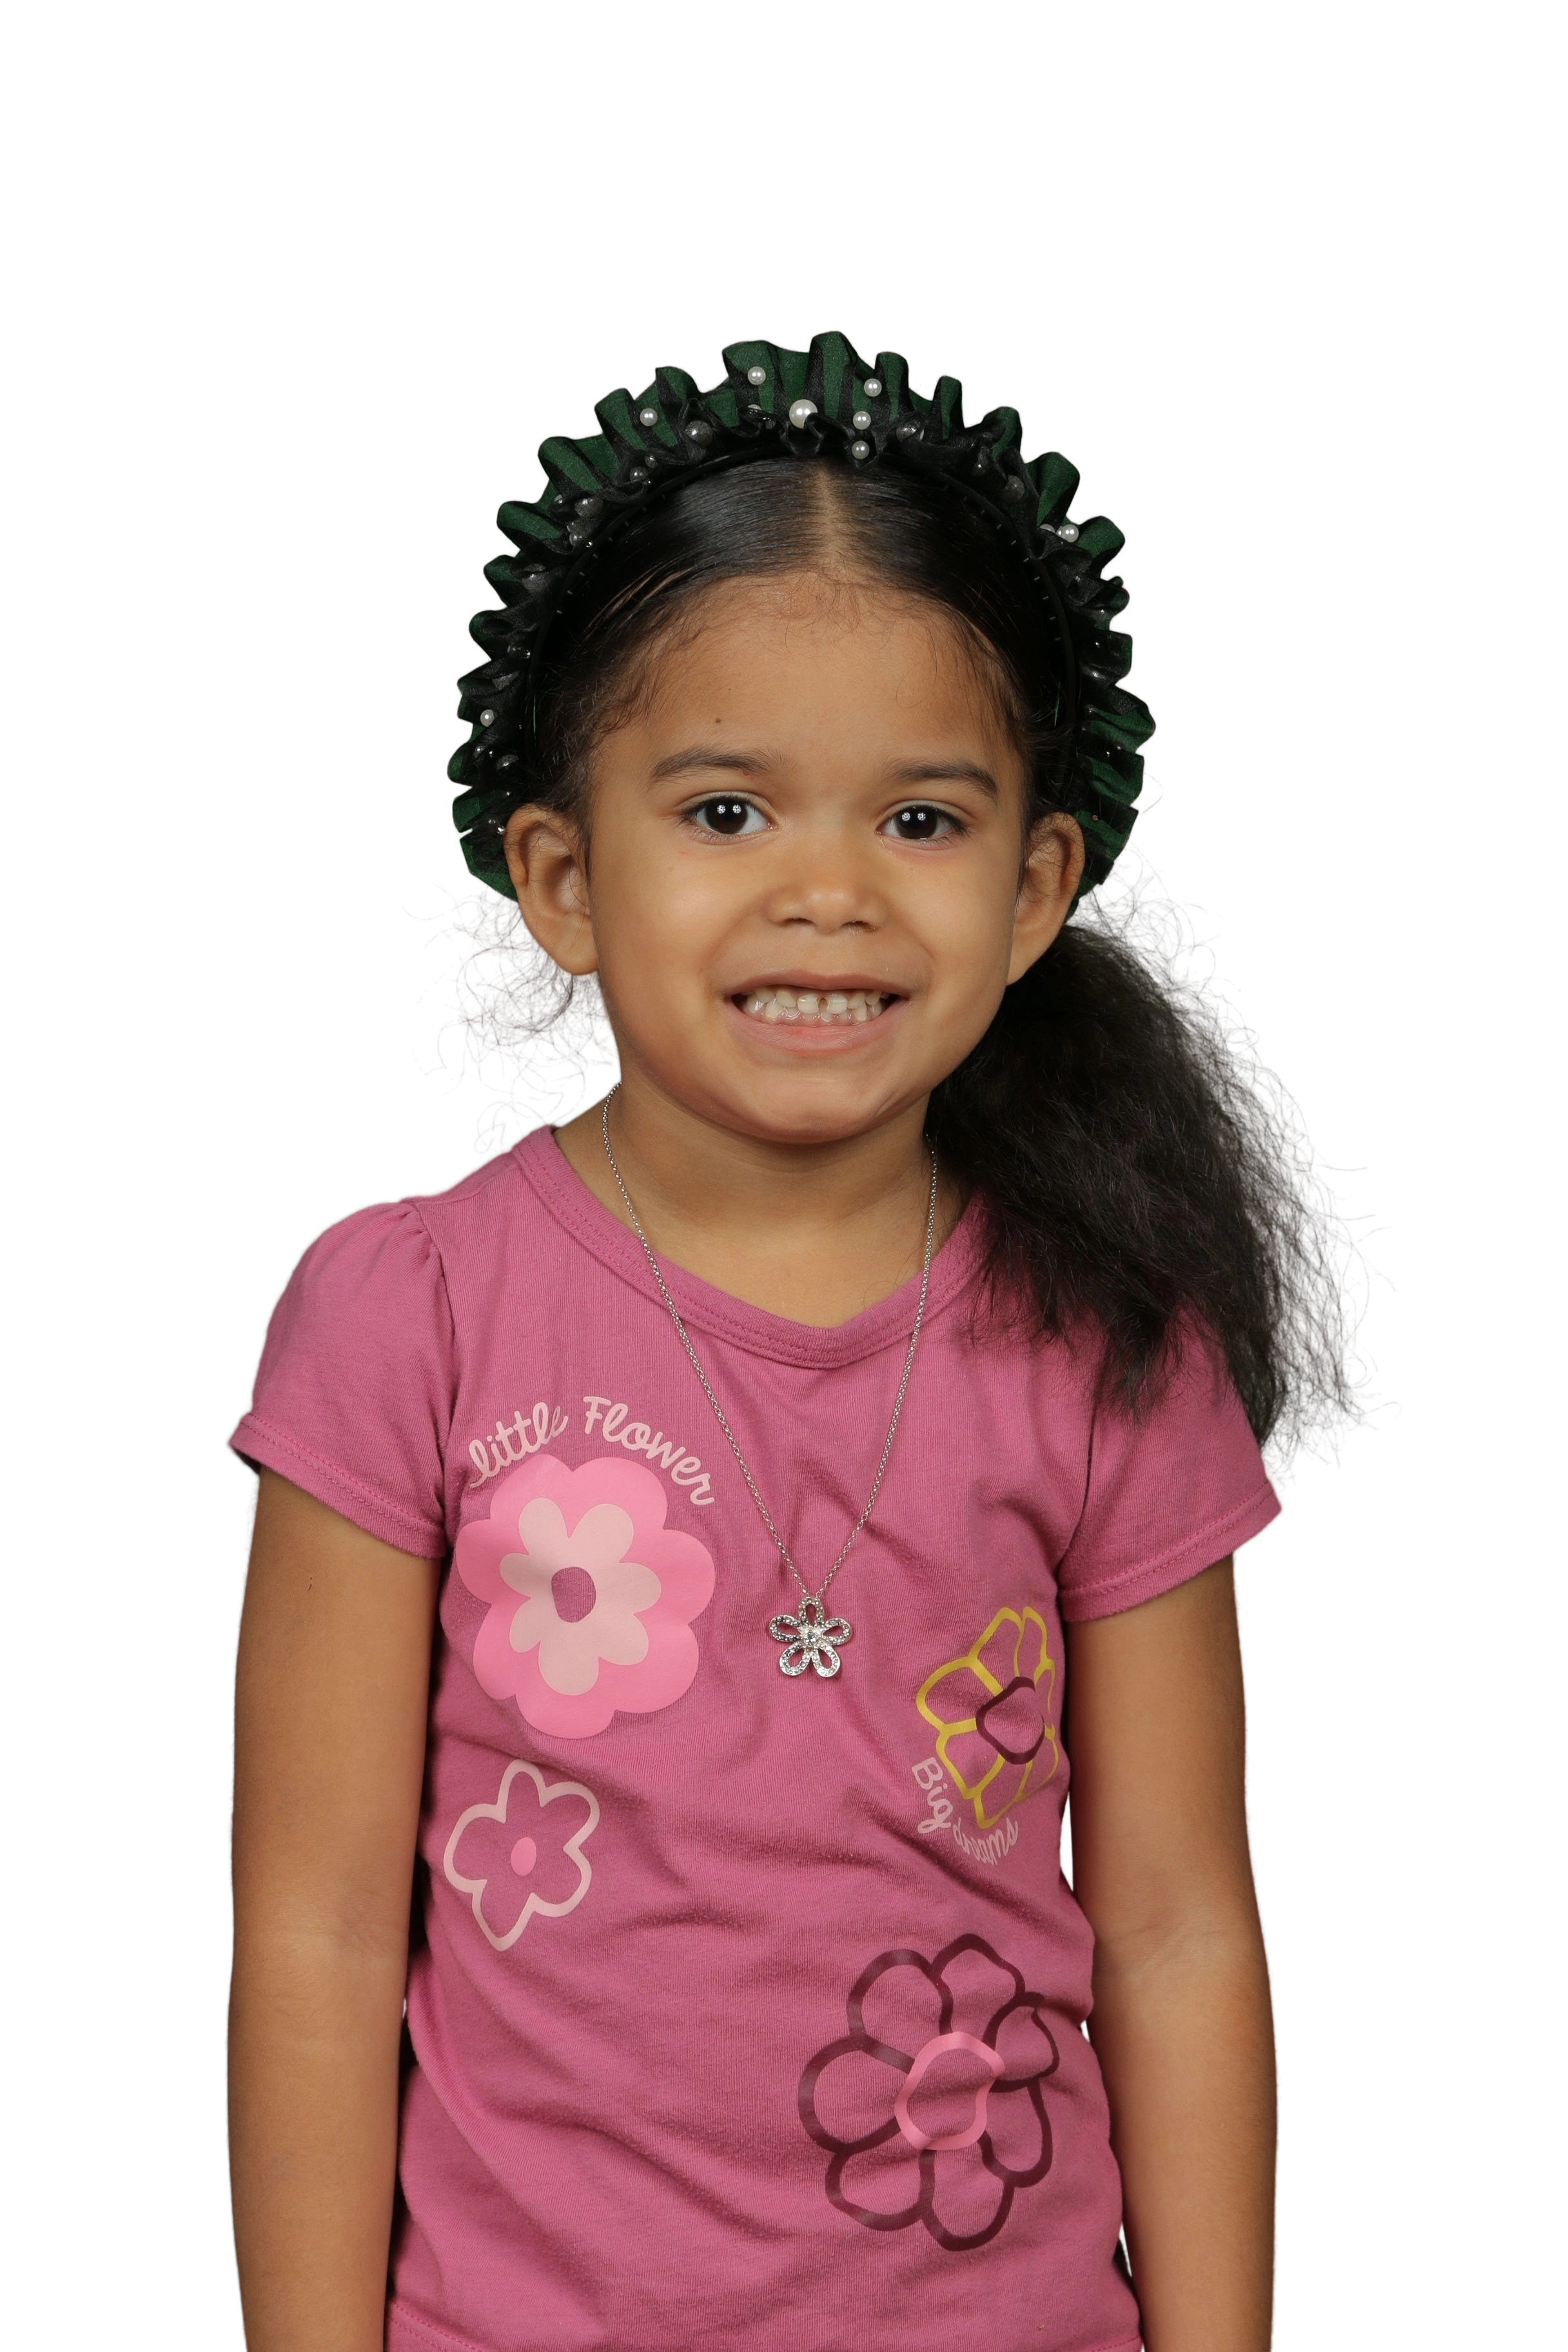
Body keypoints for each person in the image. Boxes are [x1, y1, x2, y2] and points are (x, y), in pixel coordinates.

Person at [224, 331, 1375, 2352]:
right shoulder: (410, 1315)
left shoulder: (1113, 1344)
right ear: (565, 877)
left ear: (1035, 890)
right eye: (728, 809)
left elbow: (1183, 1928)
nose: (829, 892)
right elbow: (316, 1930)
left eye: (921, 822)